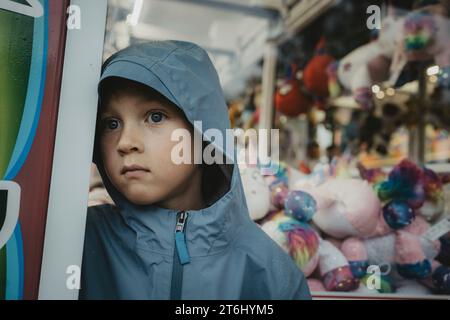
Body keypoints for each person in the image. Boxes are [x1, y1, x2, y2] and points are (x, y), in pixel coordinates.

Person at [79, 40, 311, 300]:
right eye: (111, 123)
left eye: (155, 116)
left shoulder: (269, 272)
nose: (125, 142)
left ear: (205, 134)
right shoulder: (79, 242)